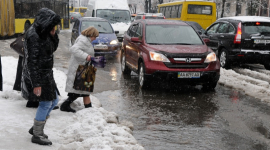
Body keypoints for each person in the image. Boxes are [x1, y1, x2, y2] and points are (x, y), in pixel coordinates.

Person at [21, 8, 61, 145]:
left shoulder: (44, 31)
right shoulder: (33, 35)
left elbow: (52, 49)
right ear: (45, 21)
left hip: (47, 73)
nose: (54, 27)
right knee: (46, 103)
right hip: (39, 74)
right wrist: (36, 84)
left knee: (54, 100)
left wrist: (53, 35)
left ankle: (37, 127)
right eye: (52, 25)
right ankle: (37, 134)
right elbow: (31, 62)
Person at [60, 26, 99, 113]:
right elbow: (73, 49)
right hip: (79, 69)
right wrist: (87, 56)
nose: (95, 38)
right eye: (95, 36)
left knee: (85, 90)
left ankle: (89, 110)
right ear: (91, 34)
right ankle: (65, 105)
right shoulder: (83, 40)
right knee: (79, 90)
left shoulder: (85, 40)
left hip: (83, 68)